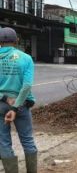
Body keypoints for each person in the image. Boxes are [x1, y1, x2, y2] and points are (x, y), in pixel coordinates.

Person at [0, 27, 37, 173]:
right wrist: (15, 106)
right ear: (17, 41)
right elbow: (27, 85)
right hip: (21, 105)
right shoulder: (26, 58)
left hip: (1, 106)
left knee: (3, 143)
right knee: (27, 140)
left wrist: (4, 98)